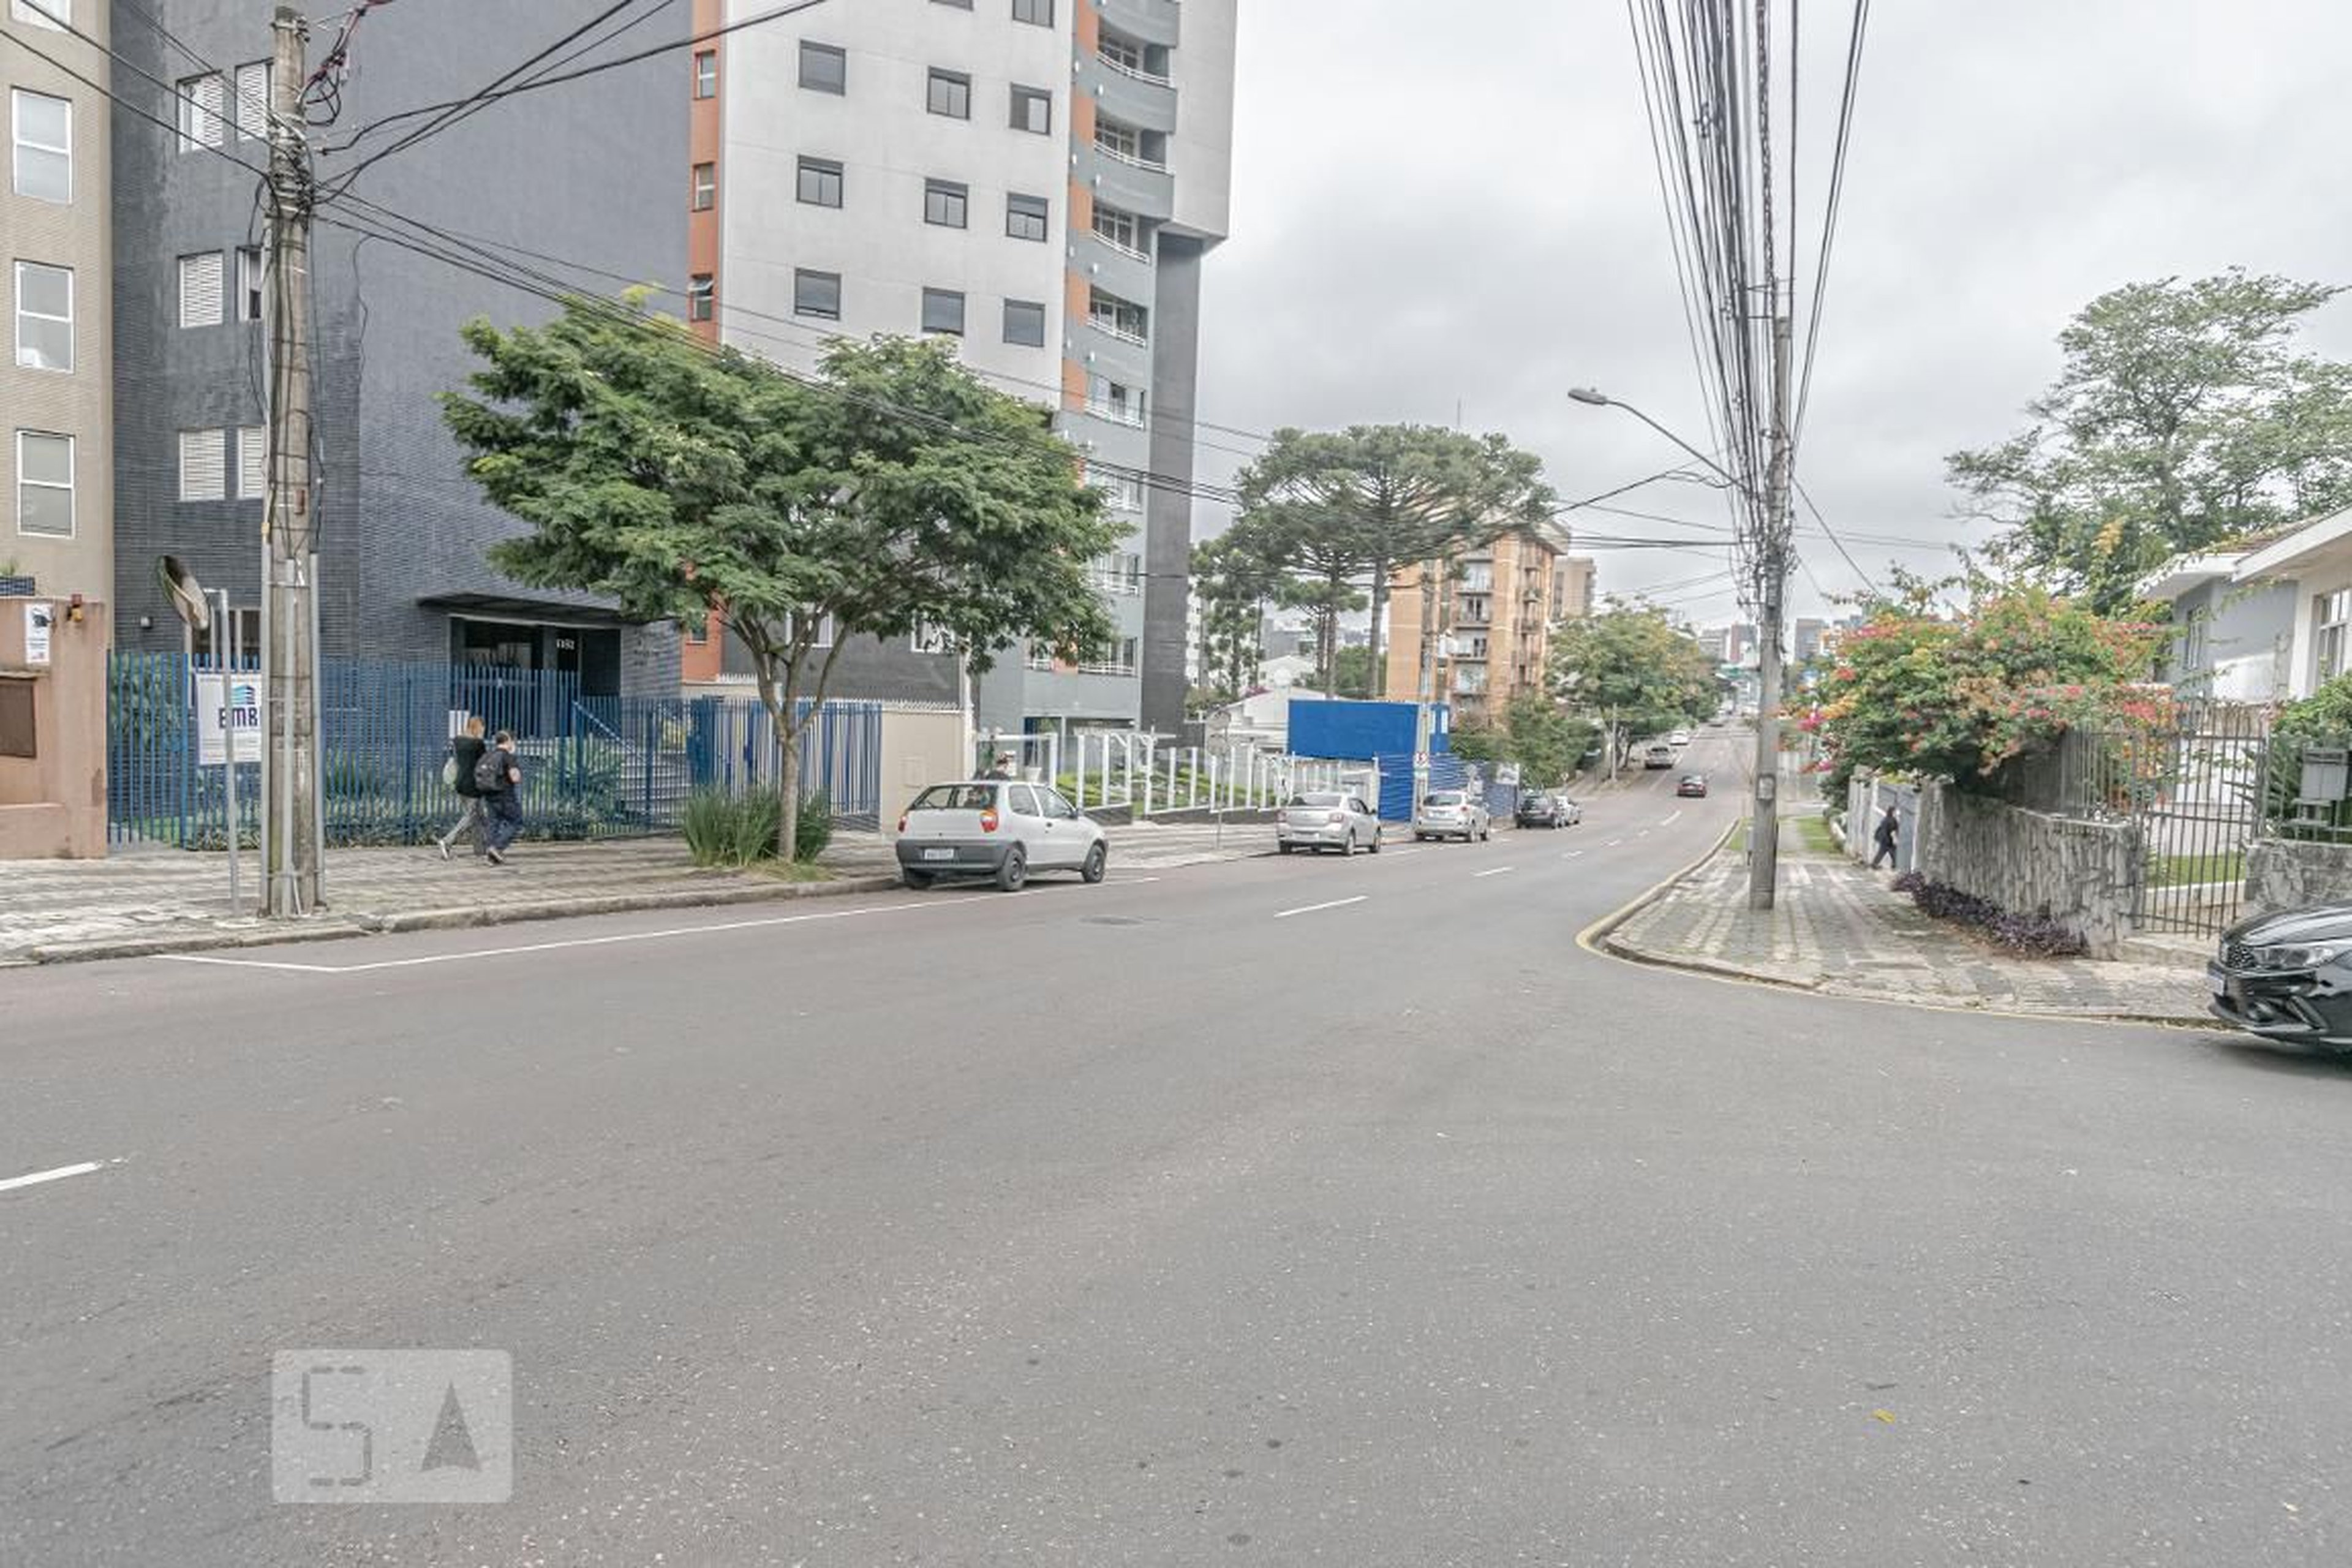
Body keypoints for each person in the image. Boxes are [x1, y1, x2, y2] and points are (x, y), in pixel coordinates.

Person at [435, 717, 489, 861]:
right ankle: (447, 841)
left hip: (460, 782)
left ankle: (481, 850)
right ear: (479, 727)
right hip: (473, 785)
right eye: (483, 727)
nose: (484, 730)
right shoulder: (478, 743)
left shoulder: (458, 740)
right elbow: (484, 764)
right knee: (471, 816)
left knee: (479, 816)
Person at [477, 729, 524, 866]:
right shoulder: (508, 757)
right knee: (516, 822)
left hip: (490, 795)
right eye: (512, 740)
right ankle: (497, 847)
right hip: (505, 795)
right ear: (508, 741)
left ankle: (491, 856)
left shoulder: (487, 756)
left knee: (494, 823)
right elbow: (515, 778)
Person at [1870, 804, 1901, 870]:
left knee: (1890, 853)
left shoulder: (1890, 820)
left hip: (1888, 839)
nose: (1896, 813)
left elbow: (1896, 829)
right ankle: (1893, 866)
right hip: (1887, 840)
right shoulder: (1888, 820)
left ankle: (1875, 864)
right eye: (1895, 812)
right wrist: (1888, 839)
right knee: (1890, 853)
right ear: (1892, 812)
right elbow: (1885, 830)